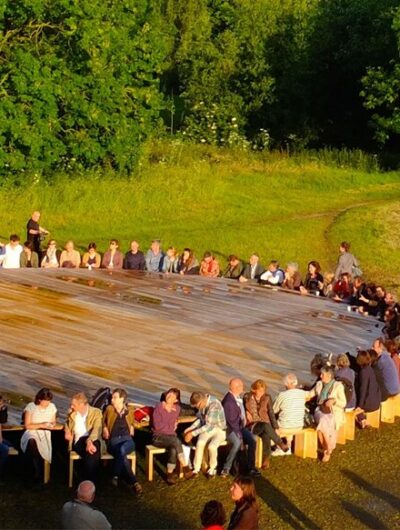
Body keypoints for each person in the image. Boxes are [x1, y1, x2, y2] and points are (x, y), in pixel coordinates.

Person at [102, 388, 142, 495]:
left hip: (127, 440)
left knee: (122, 449)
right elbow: (102, 421)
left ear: (122, 399)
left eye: (115, 398)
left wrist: (132, 426)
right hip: (114, 441)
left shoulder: (130, 411)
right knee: (121, 452)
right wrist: (105, 428)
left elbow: (134, 422)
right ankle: (134, 482)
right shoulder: (109, 409)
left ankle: (115, 476)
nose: (112, 400)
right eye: (112, 398)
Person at [243, 380, 289, 469]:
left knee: (266, 434)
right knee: (265, 426)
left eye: (263, 391)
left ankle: (266, 459)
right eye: (260, 391)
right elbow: (240, 408)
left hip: (264, 423)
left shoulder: (267, 397)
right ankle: (280, 443)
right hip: (252, 425)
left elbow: (271, 412)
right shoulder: (247, 397)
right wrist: (245, 412)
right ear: (254, 389)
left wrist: (275, 427)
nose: (262, 393)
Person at [152, 388, 194, 485]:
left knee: (174, 448)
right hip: (158, 438)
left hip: (170, 438)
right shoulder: (159, 407)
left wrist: (170, 427)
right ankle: (186, 468)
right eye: (168, 394)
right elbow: (157, 427)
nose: (169, 396)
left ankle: (169, 475)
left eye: (172, 396)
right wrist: (170, 427)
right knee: (175, 441)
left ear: (176, 400)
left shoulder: (177, 409)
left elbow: (170, 427)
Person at [306, 365, 346, 462]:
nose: (320, 376)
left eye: (322, 374)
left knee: (324, 424)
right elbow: (310, 394)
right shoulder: (319, 384)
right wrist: (296, 393)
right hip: (319, 410)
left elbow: (343, 403)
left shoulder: (338, 386)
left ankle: (327, 448)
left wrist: (334, 401)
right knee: (323, 420)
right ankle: (328, 448)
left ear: (329, 375)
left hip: (333, 412)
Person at [221, 379, 259, 478]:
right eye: (241, 386)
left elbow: (239, 411)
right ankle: (227, 467)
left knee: (253, 440)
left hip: (240, 427)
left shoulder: (236, 397)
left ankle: (251, 467)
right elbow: (232, 423)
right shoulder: (229, 402)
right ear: (236, 388)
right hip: (231, 430)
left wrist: (246, 412)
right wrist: (240, 436)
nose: (243, 387)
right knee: (237, 443)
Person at [183, 392, 226, 479]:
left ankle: (213, 468)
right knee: (200, 443)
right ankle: (196, 469)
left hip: (219, 430)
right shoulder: (202, 405)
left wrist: (193, 433)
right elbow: (200, 419)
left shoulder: (214, 405)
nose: (198, 408)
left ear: (202, 400)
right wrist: (190, 429)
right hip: (208, 429)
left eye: (198, 406)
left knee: (212, 447)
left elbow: (209, 426)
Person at [20, 388, 57, 482]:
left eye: (49, 401)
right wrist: (41, 424)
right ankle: (35, 469)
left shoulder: (52, 407)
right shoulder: (31, 406)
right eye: (45, 401)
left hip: (44, 432)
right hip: (32, 430)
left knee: (41, 443)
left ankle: (36, 470)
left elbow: (53, 422)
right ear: (40, 399)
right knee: (32, 441)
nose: (47, 403)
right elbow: (27, 425)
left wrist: (50, 425)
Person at [65, 393, 102, 483]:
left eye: (73, 405)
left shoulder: (96, 412)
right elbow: (67, 423)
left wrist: (89, 441)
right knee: (92, 453)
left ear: (81, 405)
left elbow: (97, 428)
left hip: (93, 438)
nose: (71, 406)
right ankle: (91, 483)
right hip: (79, 440)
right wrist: (66, 431)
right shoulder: (72, 414)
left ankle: (85, 482)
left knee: (92, 450)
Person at [273, 373, 308, 452]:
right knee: (289, 417)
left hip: (284, 427)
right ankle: (289, 444)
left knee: (277, 424)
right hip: (299, 425)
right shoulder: (302, 393)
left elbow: (274, 410)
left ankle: (280, 447)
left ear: (287, 384)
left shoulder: (282, 395)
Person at [354, 350, 381, 429]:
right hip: (376, 401)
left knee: (355, 402)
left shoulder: (363, 372)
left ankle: (362, 420)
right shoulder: (370, 369)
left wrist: (360, 406)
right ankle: (363, 420)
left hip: (370, 404)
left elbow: (363, 390)